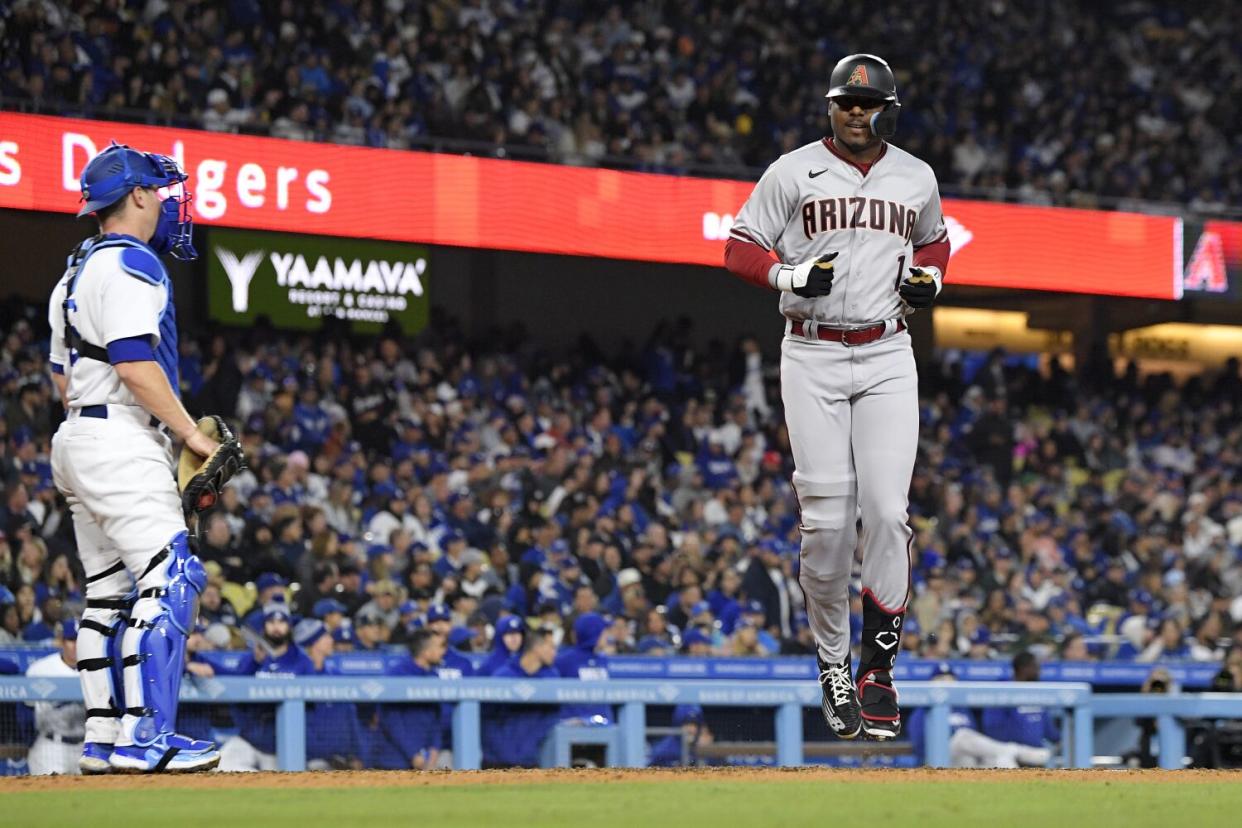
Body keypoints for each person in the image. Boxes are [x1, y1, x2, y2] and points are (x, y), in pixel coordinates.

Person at [724, 54, 949, 741]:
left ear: (888, 108)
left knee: (886, 511)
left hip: (886, 351)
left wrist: (929, 284)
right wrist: (791, 273)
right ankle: (831, 663)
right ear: (831, 107)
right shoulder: (792, 170)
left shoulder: (916, 176)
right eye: (845, 104)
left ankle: (877, 670)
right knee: (825, 525)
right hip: (812, 350)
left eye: (868, 104)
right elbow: (738, 249)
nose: (855, 113)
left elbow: (935, 246)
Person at [47, 142, 227, 773]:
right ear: (139, 196)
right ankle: (146, 737)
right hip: (120, 438)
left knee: (109, 597)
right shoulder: (130, 262)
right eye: (161, 189)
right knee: (172, 577)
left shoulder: (75, 269)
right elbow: (131, 357)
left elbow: (62, 382)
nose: (169, 201)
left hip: (77, 436)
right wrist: (188, 434)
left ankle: (103, 739)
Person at [218, 603, 314, 771]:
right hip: (251, 739)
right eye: (271, 622)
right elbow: (234, 695)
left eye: (281, 622)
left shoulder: (302, 661)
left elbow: (312, 704)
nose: (276, 627)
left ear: (289, 626)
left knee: (287, 785)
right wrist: (255, 663)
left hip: (285, 744)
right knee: (221, 764)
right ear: (264, 626)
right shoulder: (251, 659)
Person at [907, 663, 1051, 768]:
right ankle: (1016, 750)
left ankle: (1017, 795)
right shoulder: (923, 711)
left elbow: (975, 736)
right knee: (962, 736)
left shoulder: (962, 709)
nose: (947, 682)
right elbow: (920, 745)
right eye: (941, 678)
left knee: (999, 761)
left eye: (950, 678)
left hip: (963, 760)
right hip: (935, 760)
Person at [484, 628, 561, 767]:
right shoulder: (503, 675)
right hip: (496, 758)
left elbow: (554, 716)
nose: (555, 653)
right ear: (537, 648)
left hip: (532, 758)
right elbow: (487, 715)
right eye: (552, 647)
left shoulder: (552, 678)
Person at [373, 629, 443, 770]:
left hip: (426, 758)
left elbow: (437, 718)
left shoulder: (434, 676)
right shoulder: (397, 674)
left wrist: (434, 748)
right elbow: (391, 720)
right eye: (438, 647)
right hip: (393, 758)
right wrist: (412, 754)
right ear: (426, 652)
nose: (442, 651)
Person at [25, 619, 85, 775]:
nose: (77, 645)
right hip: (51, 746)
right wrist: (28, 740)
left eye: (81, 640)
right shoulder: (41, 669)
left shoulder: (97, 671)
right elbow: (25, 708)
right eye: (72, 640)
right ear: (62, 641)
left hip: (84, 746)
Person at [980, 652, 1061, 752]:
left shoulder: (1037, 693)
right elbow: (992, 728)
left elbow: (1050, 731)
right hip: (1008, 753)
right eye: (1035, 668)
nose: (1039, 672)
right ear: (1023, 669)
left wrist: (1060, 741)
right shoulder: (1002, 690)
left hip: (1037, 754)